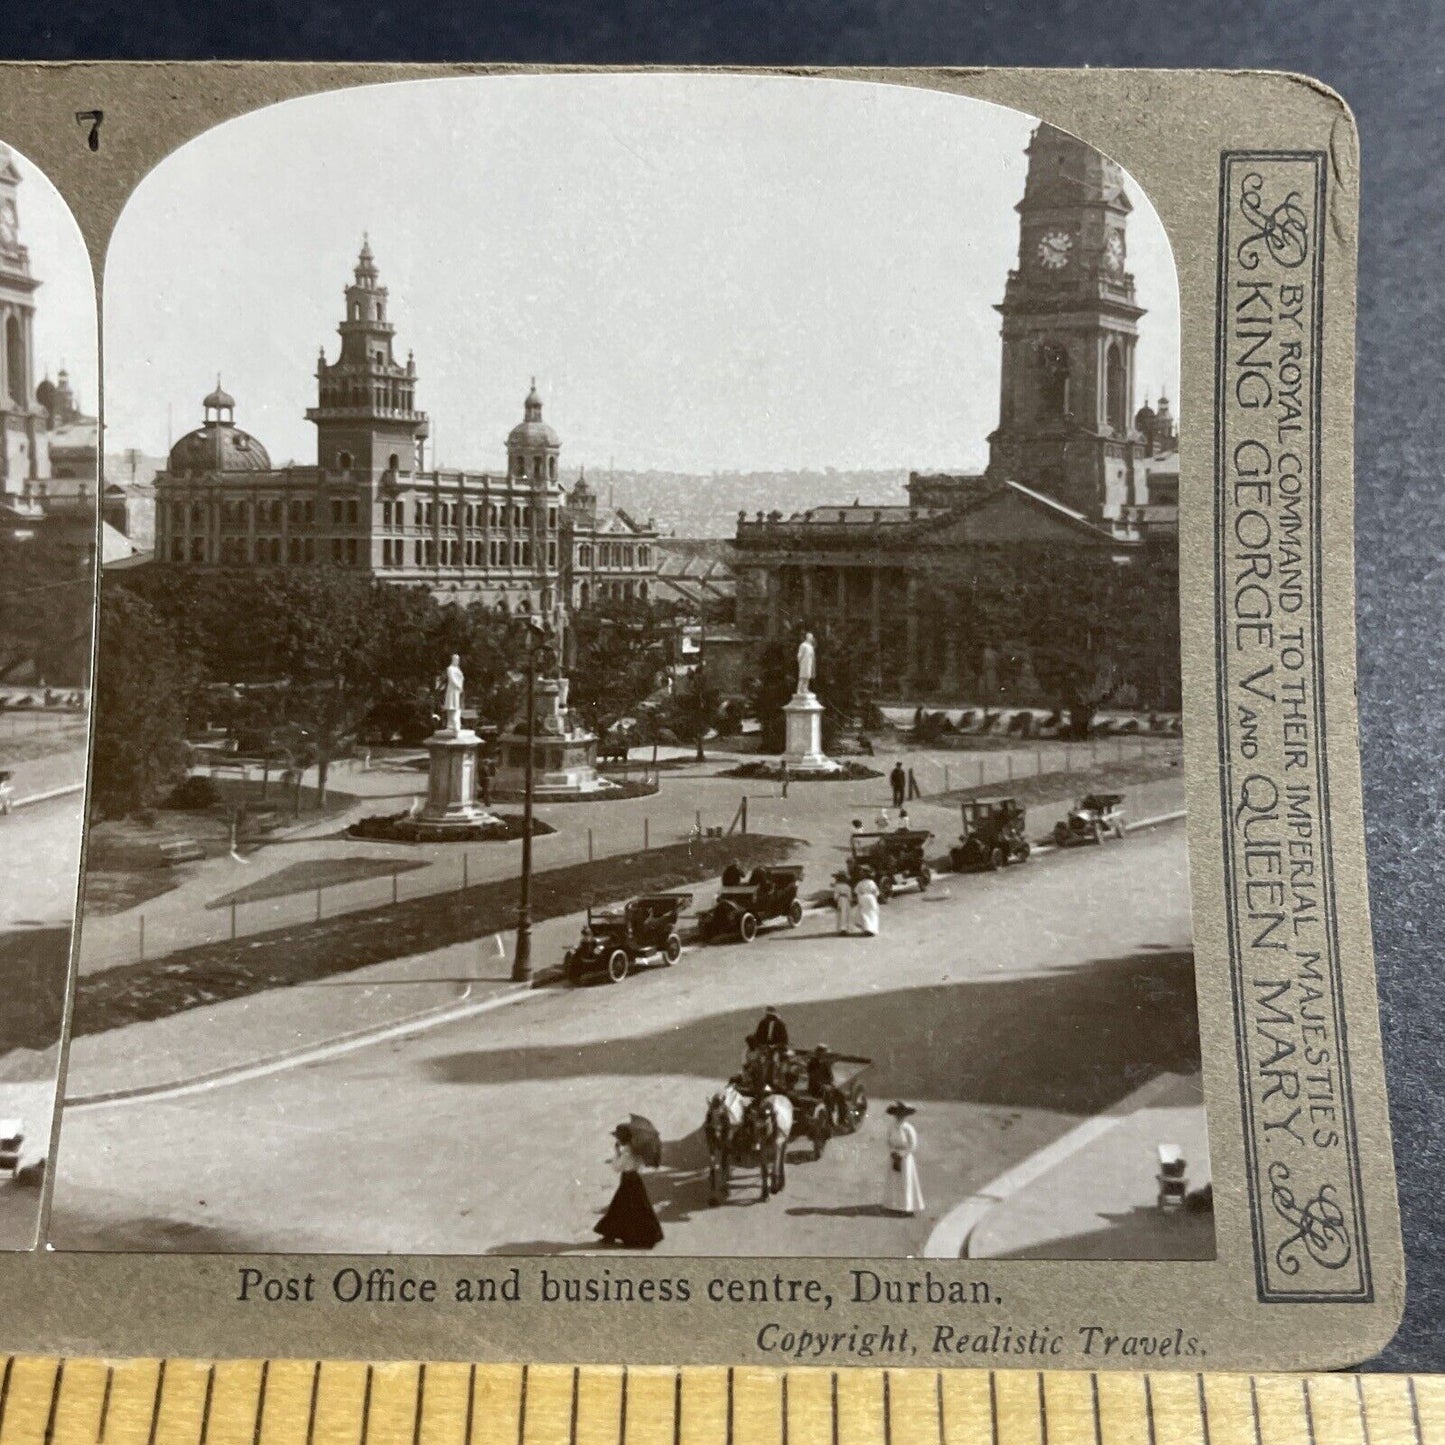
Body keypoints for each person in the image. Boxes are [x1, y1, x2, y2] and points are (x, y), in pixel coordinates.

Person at [594, 1123, 664, 1249]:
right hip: (636, 1180)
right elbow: (640, 1164)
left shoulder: (626, 1153)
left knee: (619, 1207)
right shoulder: (637, 1150)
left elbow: (616, 1167)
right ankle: (646, 1236)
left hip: (627, 1181)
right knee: (639, 1208)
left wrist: (617, 1153)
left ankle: (612, 1235)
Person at [883, 1102, 925, 1215]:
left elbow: (913, 1145)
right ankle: (893, 1205)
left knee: (905, 1181)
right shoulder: (891, 1127)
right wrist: (892, 1152)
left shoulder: (908, 1128)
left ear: (905, 1116)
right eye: (897, 1114)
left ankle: (907, 1206)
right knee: (894, 1180)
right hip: (894, 1155)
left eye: (901, 1114)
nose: (899, 1117)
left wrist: (903, 1154)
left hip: (905, 1158)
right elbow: (887, 1141)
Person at [854, 868, 880, 937]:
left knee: (865, 913)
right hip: (871, 898)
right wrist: (875, 901)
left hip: (863, 897)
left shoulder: (860, 883)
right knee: (872, 913)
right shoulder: (872, 883)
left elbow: (857, 892)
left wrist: (859, 900)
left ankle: (867, 929)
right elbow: (876, 893)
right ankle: (873, 929)